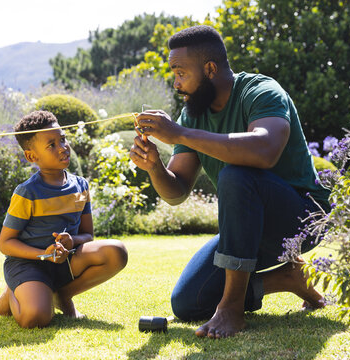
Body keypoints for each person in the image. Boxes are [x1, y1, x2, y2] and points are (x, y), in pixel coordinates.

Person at [129, 25, 330, 339]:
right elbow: (177, 191)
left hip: (302, 218)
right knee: (188, 303)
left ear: (210, 69)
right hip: (246, 229)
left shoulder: (261, 91)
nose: (176, 82)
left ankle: (232, 308)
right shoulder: (193, 115)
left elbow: (264, 150)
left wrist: (179, 134)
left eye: (181, 72)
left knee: (235, 173)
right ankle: (289, 278)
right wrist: (154, 167)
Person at [0, 110, 128, 328]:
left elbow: (88, 235)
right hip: (30, 264)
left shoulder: (81, 186)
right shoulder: (27, 192)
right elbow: (5, 244)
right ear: (32, 156)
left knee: (116, 252)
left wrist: (72, 241)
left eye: (62, 139)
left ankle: (62, 295)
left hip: (66, 260)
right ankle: (12, 293)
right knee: (35, 318)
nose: (63, 147)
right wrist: (43, 255)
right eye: (51, 145)